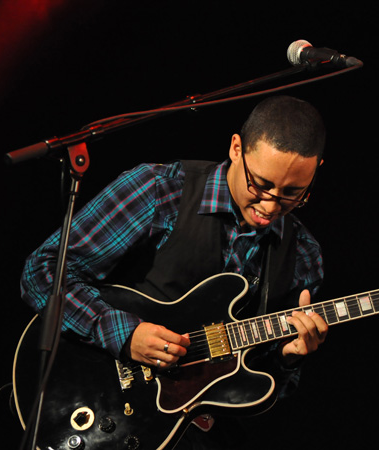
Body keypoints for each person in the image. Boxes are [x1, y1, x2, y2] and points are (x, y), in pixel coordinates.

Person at [20, 95, 329, 448]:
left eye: (292, 194)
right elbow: (42, 272)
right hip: (99, 397)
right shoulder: (160, 190)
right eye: (260, 184)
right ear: (236, 148)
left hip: (191, 433)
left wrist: (287, 359)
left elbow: (268, 390)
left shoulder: (303, 255)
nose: (271, 205)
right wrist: (122, 334)